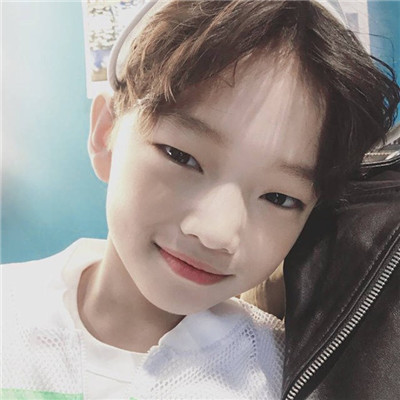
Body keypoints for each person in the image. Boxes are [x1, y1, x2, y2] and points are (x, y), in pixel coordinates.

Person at [2, 1, 399, 399]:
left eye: (278, 197)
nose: (216, 232)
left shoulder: (281, 379)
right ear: (106, 133)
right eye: (182, 157)